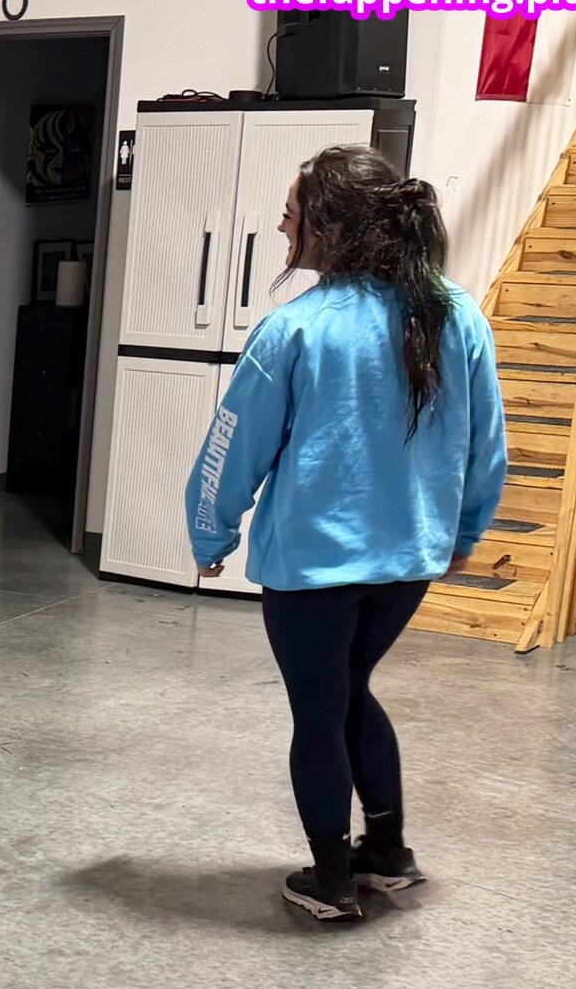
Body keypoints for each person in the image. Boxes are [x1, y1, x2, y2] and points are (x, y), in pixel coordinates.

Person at [184, 144, 507, 923]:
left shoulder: (295, 329)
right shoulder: (456, 313)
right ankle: (387, 855)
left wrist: (209, 534)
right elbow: (487, 442)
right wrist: (465, 530)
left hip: (313, 570)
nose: (281, 226)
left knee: (320, 713)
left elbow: (233, 446)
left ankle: (330, 879)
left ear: (328, 229)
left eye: (290, 215)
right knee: (351, 690)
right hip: (410, 564)